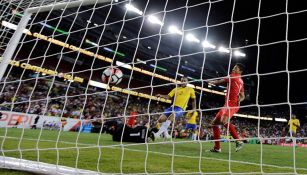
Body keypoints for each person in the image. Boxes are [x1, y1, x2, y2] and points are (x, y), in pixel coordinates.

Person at [208, 63, 245, 152]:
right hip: (229, 104)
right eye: (233, 67)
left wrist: (212, 82)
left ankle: (238, 141)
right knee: (214, 124)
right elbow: (243, 95)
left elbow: (220, 81)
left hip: (232, 104)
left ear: (240, 71)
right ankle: (217, 148)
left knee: (223, 121)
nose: (233, 69)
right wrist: (240, 99)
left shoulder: (232, 76)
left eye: (235, 68)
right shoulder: (241, 81)